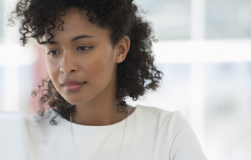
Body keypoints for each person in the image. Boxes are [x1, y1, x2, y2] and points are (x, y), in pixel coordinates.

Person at [11, 0, 207, 159]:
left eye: (83, 47)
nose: (65, 66)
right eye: (53, 51)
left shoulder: (167, 133)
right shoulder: (22, 137)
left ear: (120, 49)